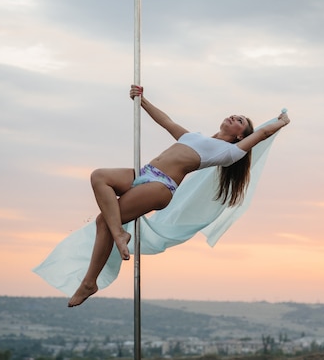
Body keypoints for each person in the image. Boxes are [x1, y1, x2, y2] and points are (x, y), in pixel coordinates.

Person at [68, 84, 290, 307]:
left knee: (105, 221)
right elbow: (166, 121)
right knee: (99, 178)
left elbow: (262, 133)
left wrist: (281, 122)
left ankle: (94, 274)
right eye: (235, 115)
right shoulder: (193, 137)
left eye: (240, 121)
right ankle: (110, 248)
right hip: (144, 173)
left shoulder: (229, 152)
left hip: (160, 186)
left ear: (240, 136)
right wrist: (141, 100)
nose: (234, 117)